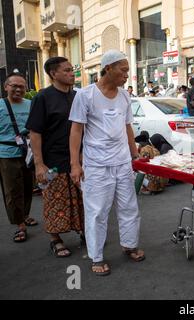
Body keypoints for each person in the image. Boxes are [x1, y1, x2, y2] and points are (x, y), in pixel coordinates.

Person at [69, 50, 144, 276]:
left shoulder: (124, 96)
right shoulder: (85, 95)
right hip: (97, 164)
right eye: (123, 70)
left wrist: (135, 155)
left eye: (127, 71)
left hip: (122, 163)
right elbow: (76, 130)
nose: (126, 75)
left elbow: (127, 127)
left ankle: (129, 244)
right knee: (97, 211)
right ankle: (97, 256)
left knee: (129, 206)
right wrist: (75, 163)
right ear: (108, 68)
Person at [26, 57, 84, 257]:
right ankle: (55, 239)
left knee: (82, 199)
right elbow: (35, 133)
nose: (72, 73)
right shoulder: (42, 97)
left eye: (72, 70)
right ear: (53, 74)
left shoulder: (78, 96)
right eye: (67, 70)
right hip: (52, 161)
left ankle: (85, 232)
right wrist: (39, 164)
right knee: (54, 202)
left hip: (77, 159)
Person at [0, 73, 37, 243]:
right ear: (5, 87)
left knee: (28, 186)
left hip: (28, 152)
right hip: (7, 154)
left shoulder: (30, 104)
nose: (18, 89)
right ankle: (20, 224)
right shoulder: (0, 105)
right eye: (14, 85)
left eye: (22, 86)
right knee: (12, 190)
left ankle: (25, 214)